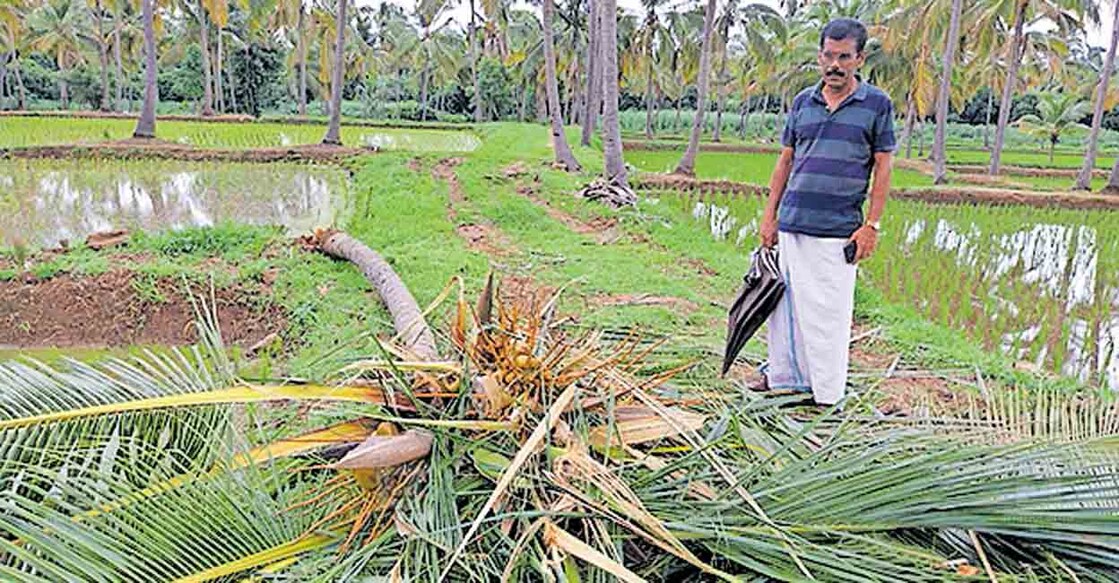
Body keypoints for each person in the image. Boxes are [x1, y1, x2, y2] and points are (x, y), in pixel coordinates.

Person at [757, 17, 895, 406]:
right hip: (794, 222)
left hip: (838, 230)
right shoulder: (803, 101)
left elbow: (883, 166)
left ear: (859, 59)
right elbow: (785, 161)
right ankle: (785, 380)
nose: (835, 65)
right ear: (820, 56)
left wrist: (872, 225)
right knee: (785, 310)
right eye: (828, 56)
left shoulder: (876, 105)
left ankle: (825, 393)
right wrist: (770, 217)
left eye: (844, 57)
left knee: (829, 316)